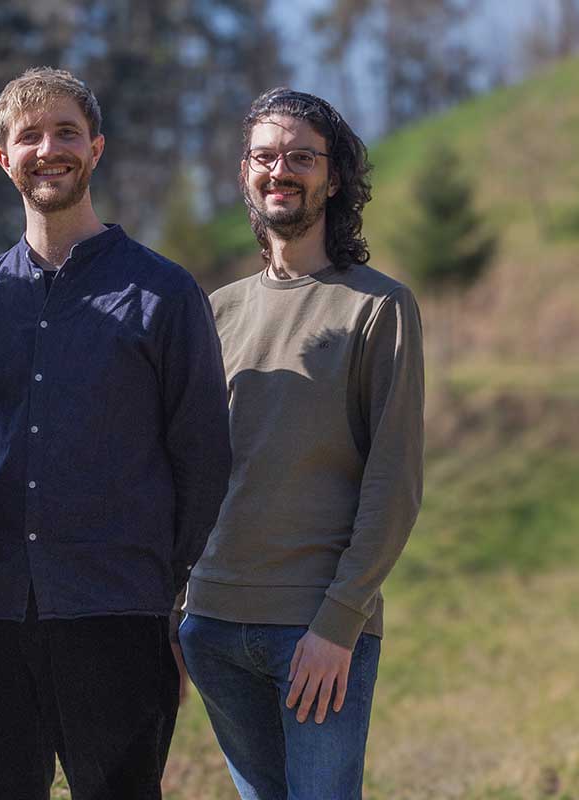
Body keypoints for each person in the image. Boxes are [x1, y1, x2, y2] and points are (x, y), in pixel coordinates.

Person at [0, 67, 231, 800]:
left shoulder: (164, 294)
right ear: (5, 159)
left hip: (118, 615)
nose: (50, 149)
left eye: (66, 131)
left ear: (96, 148)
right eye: (29, 136)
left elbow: (202, 459)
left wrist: (160, 593)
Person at [178, 88, 425, 800]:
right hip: (212, 628)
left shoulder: (379, 307)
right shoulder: (215, 311)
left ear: (334, 176)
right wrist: (178, 611)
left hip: (314, 632)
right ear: (244, 173)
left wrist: (339, 623)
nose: (279, 170)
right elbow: (189, 471)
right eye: (264, 155)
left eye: (301, 157)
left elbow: (395, 480)